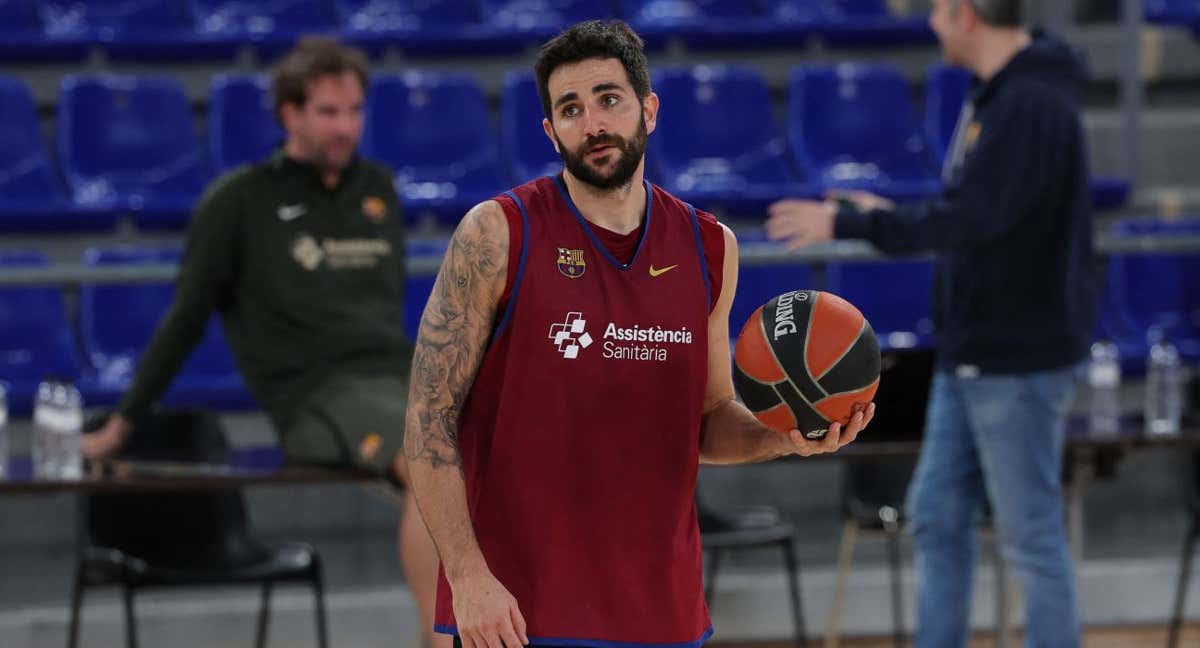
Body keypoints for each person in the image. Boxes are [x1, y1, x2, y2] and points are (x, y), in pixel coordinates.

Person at [402, 20, 874, 648]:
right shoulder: (497, 234)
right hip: (516, 607)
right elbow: (428, 420)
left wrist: (788, 437)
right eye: (570, 109)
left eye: (609, 99)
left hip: (659, 606)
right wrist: (467, 577)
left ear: (648, 109)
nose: (592, 122)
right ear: (550, 131)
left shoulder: (711, 248)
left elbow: (706, 423)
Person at [79, 37, 446, 648]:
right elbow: (184, 320)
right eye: (328, 112)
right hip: (315, 394)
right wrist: (123, 423)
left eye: (354, 111)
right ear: (290, 115)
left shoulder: (378, 189)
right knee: (436, 467)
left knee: (511, 451)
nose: (345, 127)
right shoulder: (239, 203)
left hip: (400, 374)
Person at [766, 1, 1095, 647]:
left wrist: (853, 223)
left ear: (965, 15)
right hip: (972, 352)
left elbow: (971, 222)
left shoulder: (1029, 102)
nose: (932, 24)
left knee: (1031, 536)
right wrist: (888, 210)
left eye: (940, 10)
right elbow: (975, 209)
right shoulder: (1001, 95)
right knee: (937, 518)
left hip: (1015, 358)